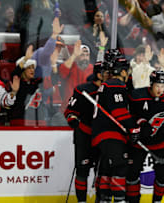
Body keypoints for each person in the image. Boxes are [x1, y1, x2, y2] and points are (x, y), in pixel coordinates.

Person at [91, 53, 140, 202]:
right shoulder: (116, 85)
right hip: (110, 134)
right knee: (120, 166)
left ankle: (103, 199)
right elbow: (119, 111)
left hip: (101, 134)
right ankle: (119, 200)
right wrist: (133, 128)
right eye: (127, 71)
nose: (129, 74)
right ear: (123, 72)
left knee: (106, 168)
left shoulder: (106, 85)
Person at [127, 70, 164, 203]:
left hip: (161, 142)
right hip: (139, 143)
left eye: (163, 86)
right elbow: (129, 116)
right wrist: (138, 124)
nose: (160, 89)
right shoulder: (137, 96)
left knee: (163, 174)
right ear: (151, 84)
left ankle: (157, 201)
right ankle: (133, 200)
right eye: (157, 86)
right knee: (132, 173)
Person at [64, 61, 106, 203]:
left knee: (102, 173)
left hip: (102, 138)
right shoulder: (82, 89)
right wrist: (72, 119)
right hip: (85, 136)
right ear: (99, 74)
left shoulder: (111, 90)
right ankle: (82, 201)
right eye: (107, 72)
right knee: (82, 171)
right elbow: (70, 110)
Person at [9, 45, 45, 126]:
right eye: (29, 68)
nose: (32, 70)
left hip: (36, 120)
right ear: (23, 70)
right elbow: (15, 73)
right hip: (19, 119)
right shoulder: (18, 82)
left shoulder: (36, 83)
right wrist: (25, 59)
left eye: (33, 68)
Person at [59, 41, 94, 111]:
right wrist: (74, 55)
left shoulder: (91, 68)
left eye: (87, 55)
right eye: (82, 55)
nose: (85, 58)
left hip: (86, 106)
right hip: (69, 106)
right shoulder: (71, 65)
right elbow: (62, 71)